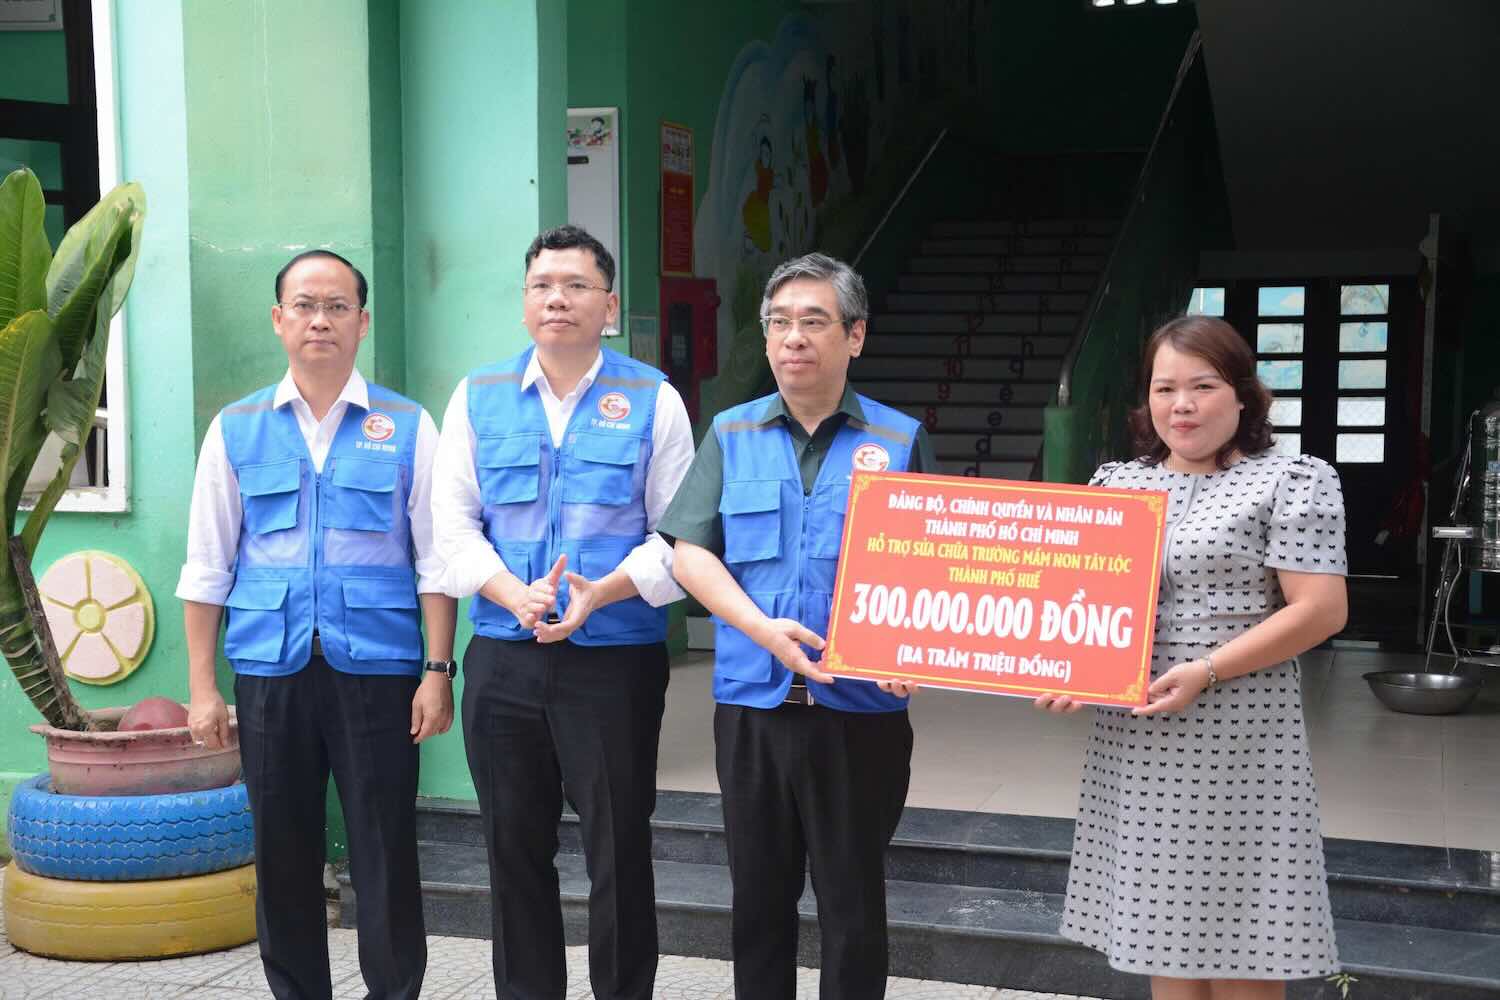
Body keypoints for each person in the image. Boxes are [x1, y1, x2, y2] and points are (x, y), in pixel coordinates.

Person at [1036, 315, 1348, 1000]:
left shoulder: (1293, 480)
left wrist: (1208, 670)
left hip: (1243, 734)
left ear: (1243, 395)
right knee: (1162, 933)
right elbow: (1082, 611)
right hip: (1141, 735)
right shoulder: (1117, 484)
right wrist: (1068, 672)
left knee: (1242, 942)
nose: (1182, 404)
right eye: (1165, 387)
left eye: (1203, 386)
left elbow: (1321, 609)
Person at [181, 250, 456, 1000]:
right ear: (279, 320)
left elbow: (436, 559)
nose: (320, 320)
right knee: (283, 851)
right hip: (271, 672)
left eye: (337, 306)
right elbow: (207, 566)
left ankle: (394, 991)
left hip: (380, 670)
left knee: (385, 847)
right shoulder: (236, 429)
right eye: (304, 305)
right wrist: (204, 688)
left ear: (362, 322)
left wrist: (438, 672)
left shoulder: (405, 425)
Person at [430, 225, 695, 1000]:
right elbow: (450, 525)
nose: (558, 298)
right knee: (512, 852)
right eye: (543, 284)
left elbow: (678, 538)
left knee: (619, 852)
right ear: (523, 304)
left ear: (608, 305)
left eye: (577, 285)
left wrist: (599, 592)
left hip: (613, 661)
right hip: (504, 662)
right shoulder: (477, 397)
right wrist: (512, 592)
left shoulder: (654, 400)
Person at [662, 252, 933, 1000]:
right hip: (753, 708)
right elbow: (690, 555)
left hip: (861, 714)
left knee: (853, 909)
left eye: (813, 322)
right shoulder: (731, 431)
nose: (792, 339)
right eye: (778, 323)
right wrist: (760, 629)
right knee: (758, 904)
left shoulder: (900, 440)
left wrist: (915, 648)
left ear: (855, 336)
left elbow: (935, 568)